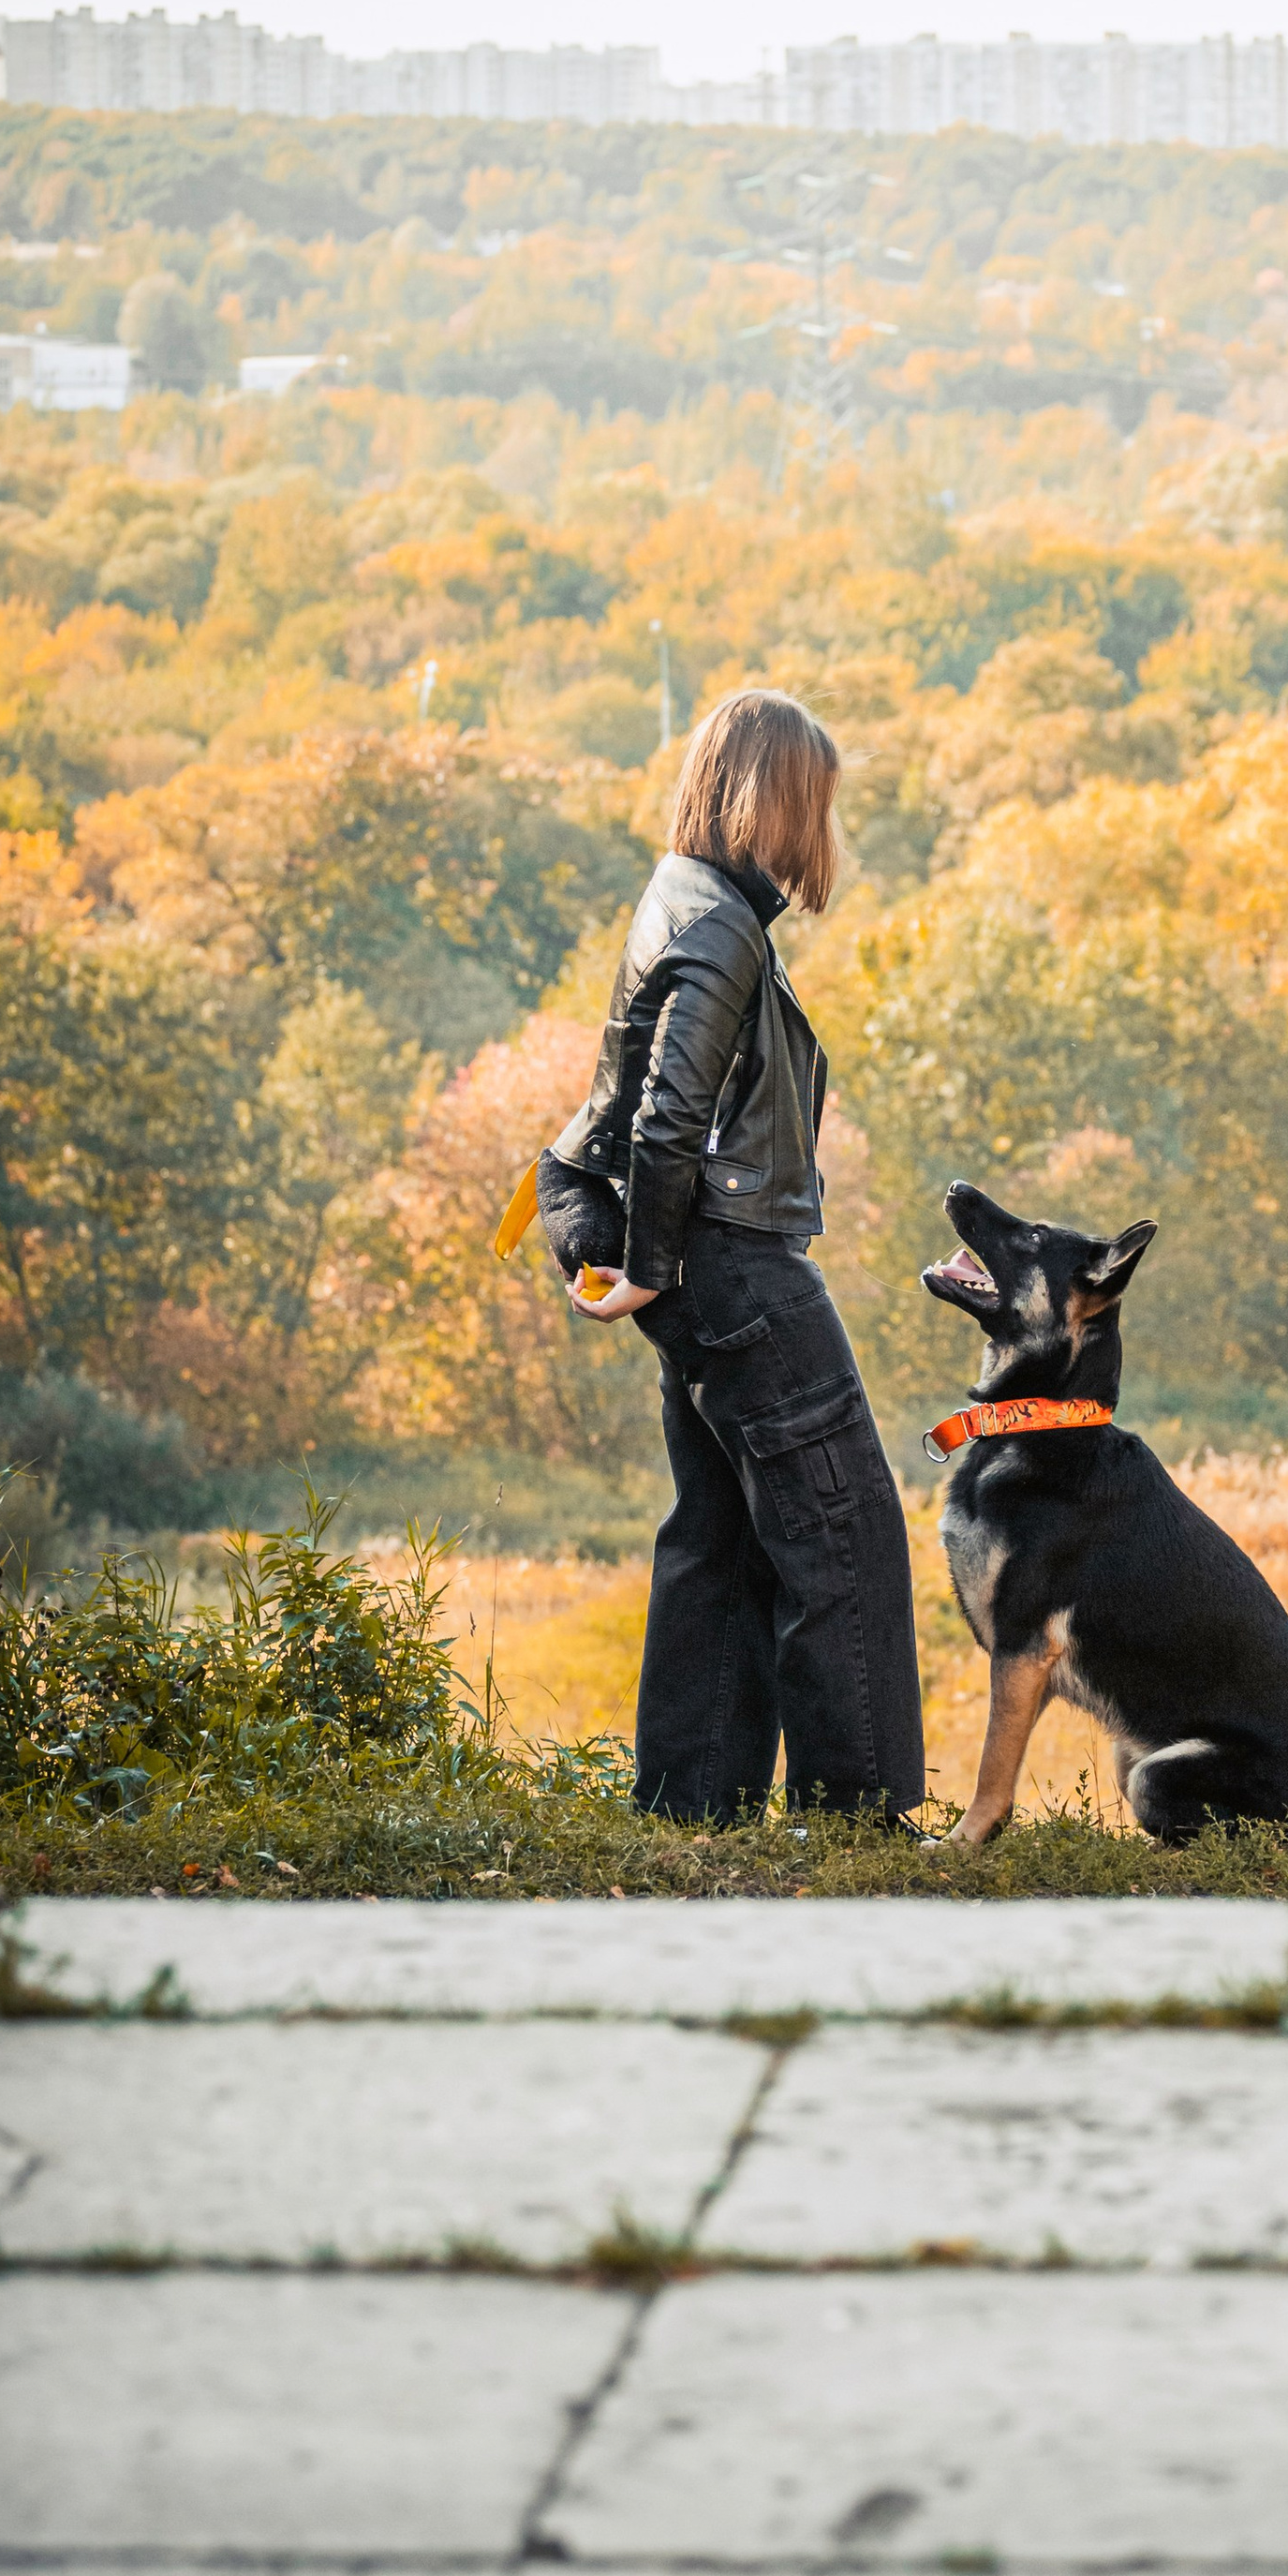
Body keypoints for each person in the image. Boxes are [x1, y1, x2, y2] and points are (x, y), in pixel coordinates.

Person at [534, 687, 924, 1824]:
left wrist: (654, 1269)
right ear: (777, 800)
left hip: (706, 1271)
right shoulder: (719, 928)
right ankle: (858, 1814)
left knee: (722, 1538)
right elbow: (668, 1111)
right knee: (844, 1535)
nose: (826, 828)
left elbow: (648, 1105)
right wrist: (651, 1264)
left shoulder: (684, 899)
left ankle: (691, 1806)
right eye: (818, 801)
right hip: (737, 1269)